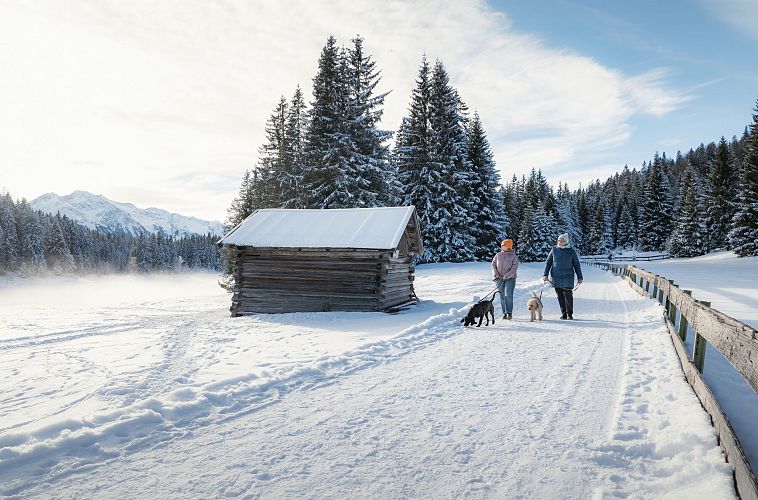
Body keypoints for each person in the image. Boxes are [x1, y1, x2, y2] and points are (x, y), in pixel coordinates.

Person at [543, 233, 583, 320]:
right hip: (556, 277)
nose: (560, 242)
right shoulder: (554, 250)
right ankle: (563, 313)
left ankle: (569, 314)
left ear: (566, 242)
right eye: (559, 241)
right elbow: (548, 263)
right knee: (560, 296)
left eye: (562, 241)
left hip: (568, 276)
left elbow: (576, 265)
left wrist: (580, 277)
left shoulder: (571, 252)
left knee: (568, 295)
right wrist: (545, 274)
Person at [492, 239, 519, 320]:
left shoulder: (514, 256)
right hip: (499, 278)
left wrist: (506, 276)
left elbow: (514, 268)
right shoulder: (498, 255)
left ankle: (509, 312)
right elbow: (493, 265)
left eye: (505, 245)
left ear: (509, 247)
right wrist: (496, 274)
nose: (503, 247)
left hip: (510, 278)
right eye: (502, 245)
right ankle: (504, 313)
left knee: (508, 295)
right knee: (502, 295)